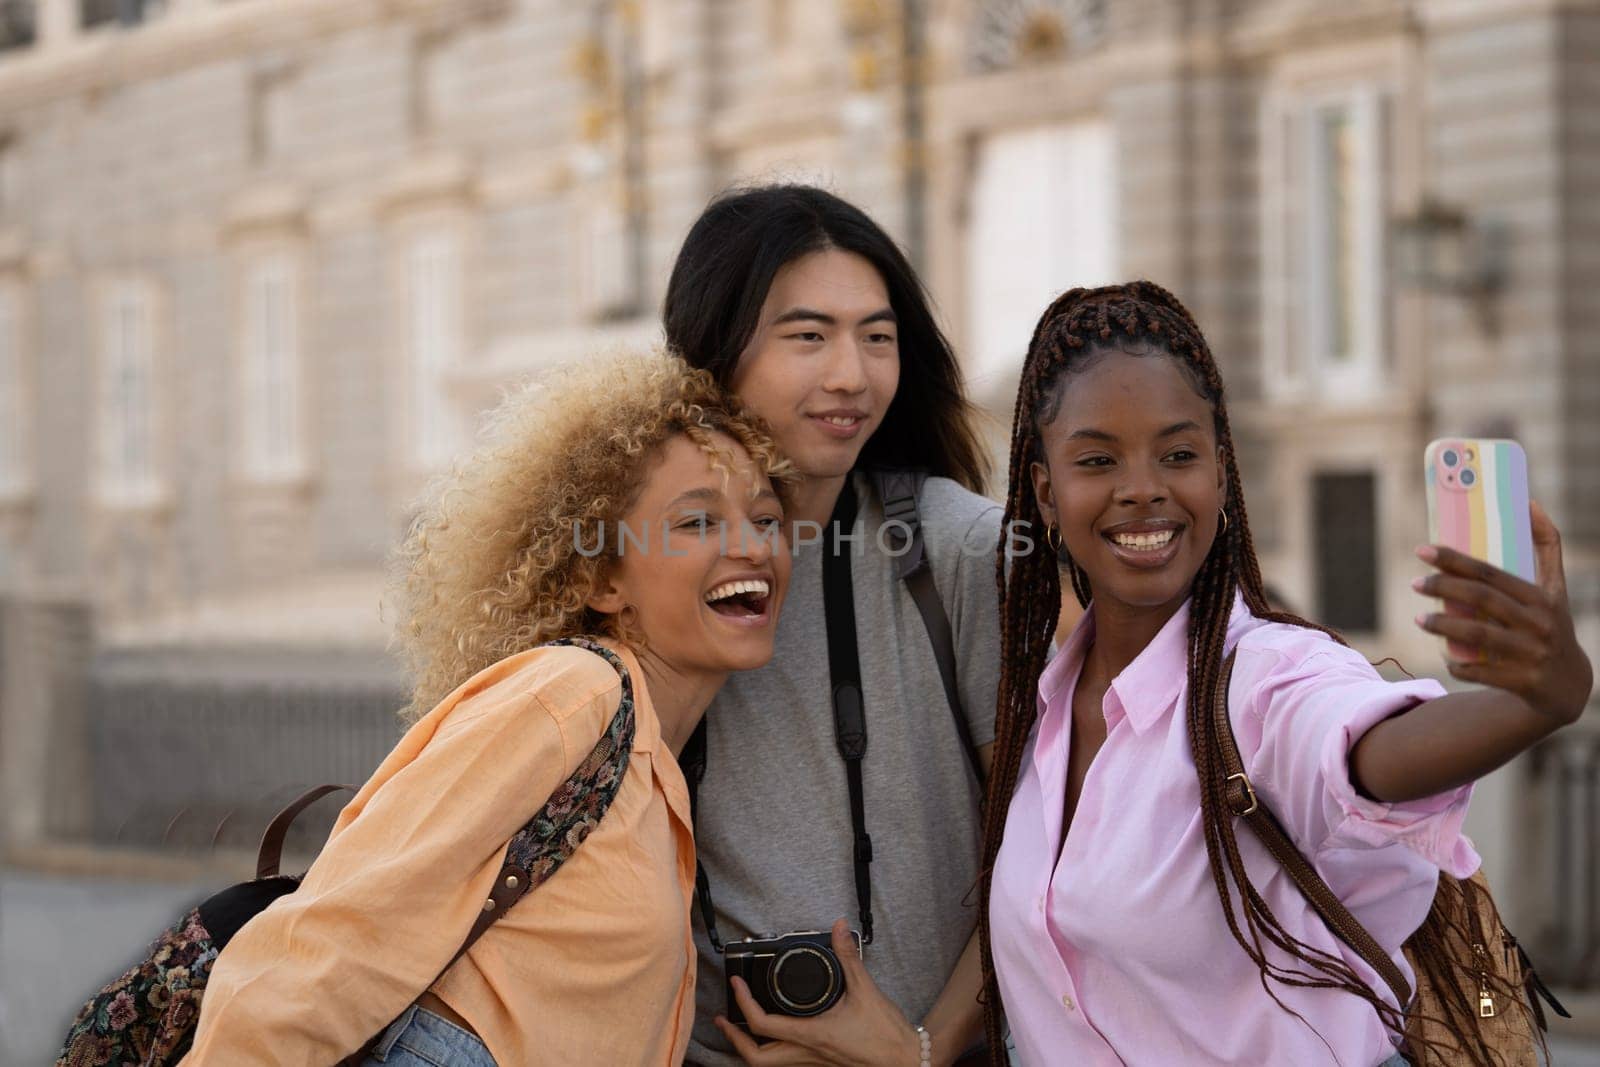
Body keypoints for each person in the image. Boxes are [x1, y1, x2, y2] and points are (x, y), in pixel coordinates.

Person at [977, 281, 1593, 1066]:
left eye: (1179, 453)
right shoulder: (1042, 705)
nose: (1143, 487)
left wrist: (1538, 701)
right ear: (1045, 494)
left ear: (1220, 471)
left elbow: (1372, 750)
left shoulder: (1267, 676)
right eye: (1098, 459)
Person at [186, 351, 795, 1065]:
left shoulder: (653, 762)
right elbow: (336, 935)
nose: (753, 546)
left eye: (767, 518)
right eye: (698, 522)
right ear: (601, 578)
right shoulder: (571, 694)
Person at [663, 184, 1003, 1066]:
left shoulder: (959, 549)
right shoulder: (634, 554)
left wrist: (919, 1050)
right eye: (809, 335)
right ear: (716, 346)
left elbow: (1053, 858)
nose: (853, 374)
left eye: (878, 337)